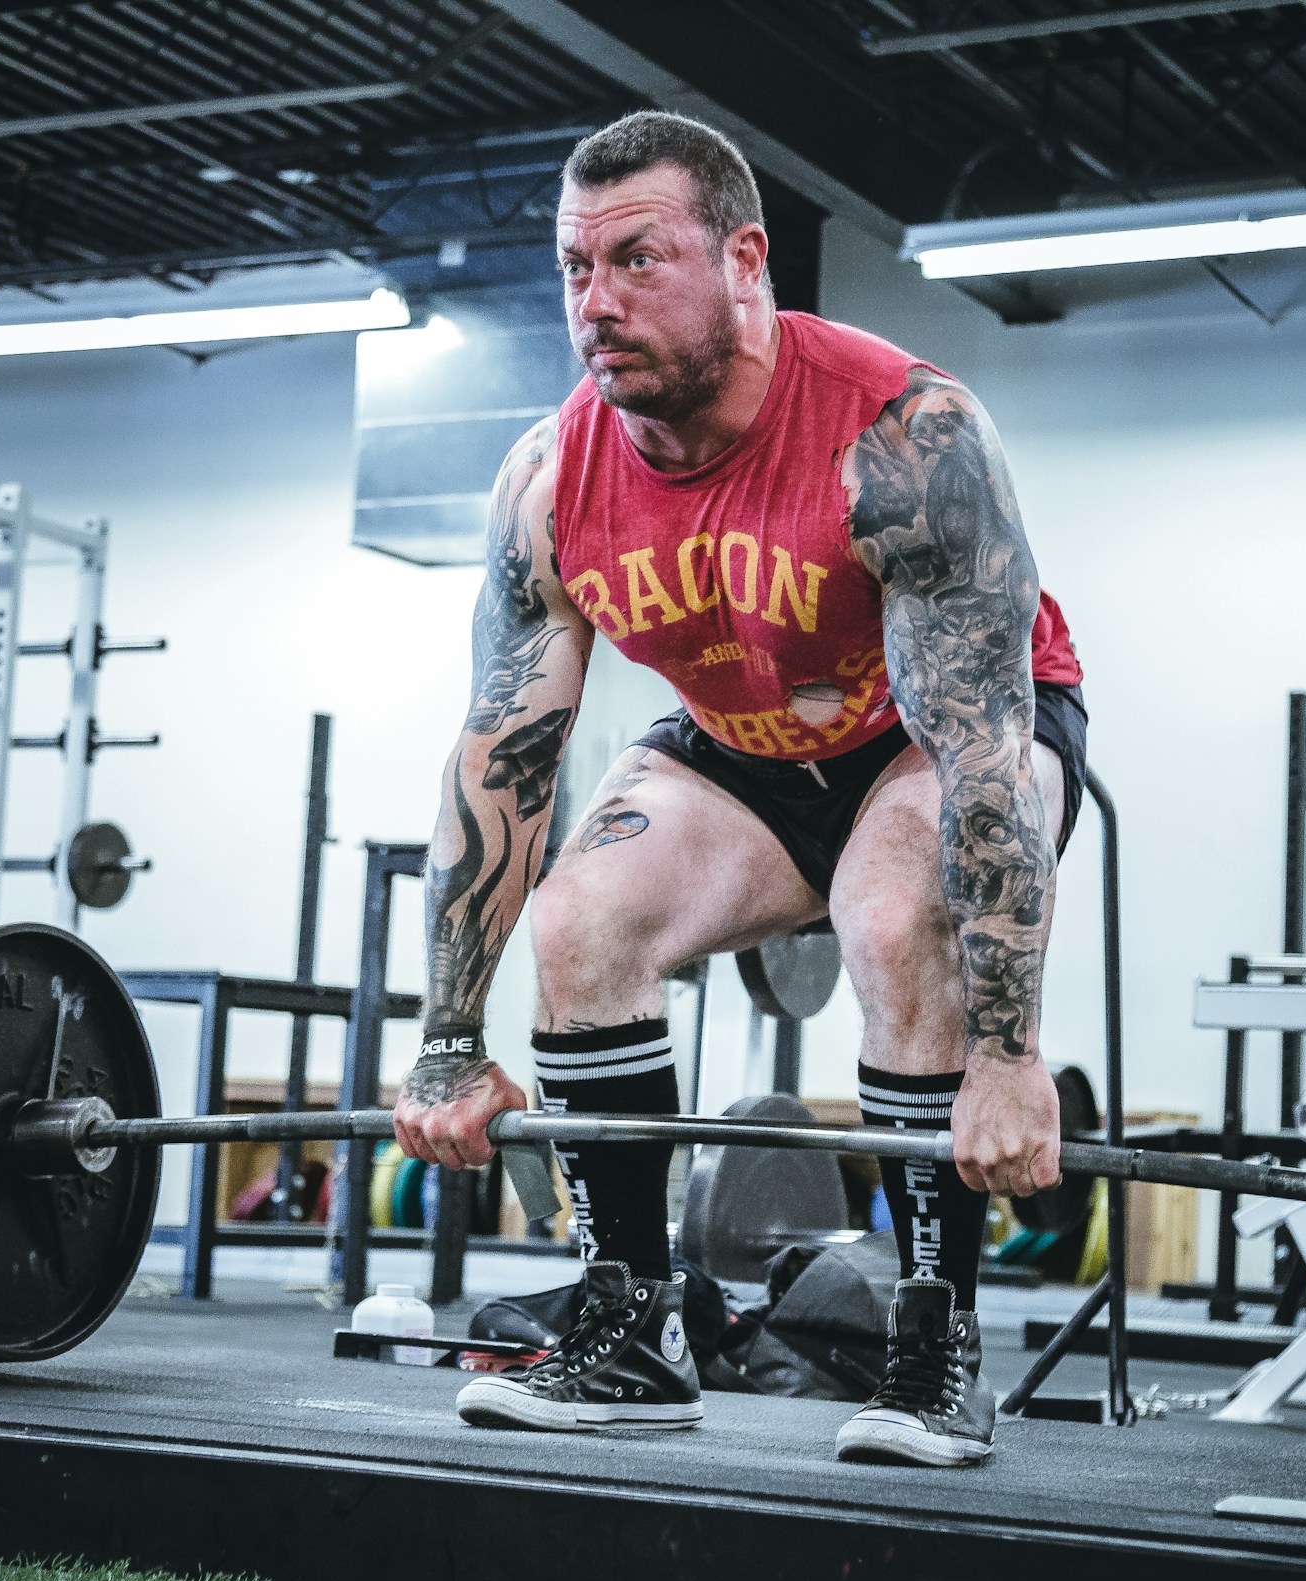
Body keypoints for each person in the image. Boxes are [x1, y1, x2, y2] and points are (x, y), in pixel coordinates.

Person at [390, 111, 1089, 1468]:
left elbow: (983, 754)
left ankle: (935, 1339)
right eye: (575, 271)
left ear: (745, 259)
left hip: (936, 735)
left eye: (638, 261)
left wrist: (1007, 1058)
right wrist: (447, 1038)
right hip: (745, 744)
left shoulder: (905, 437)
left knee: (894, 911)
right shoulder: (551, 481)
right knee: (579, 921)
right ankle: (633, 1332)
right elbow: (501, 758)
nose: (597, 305)